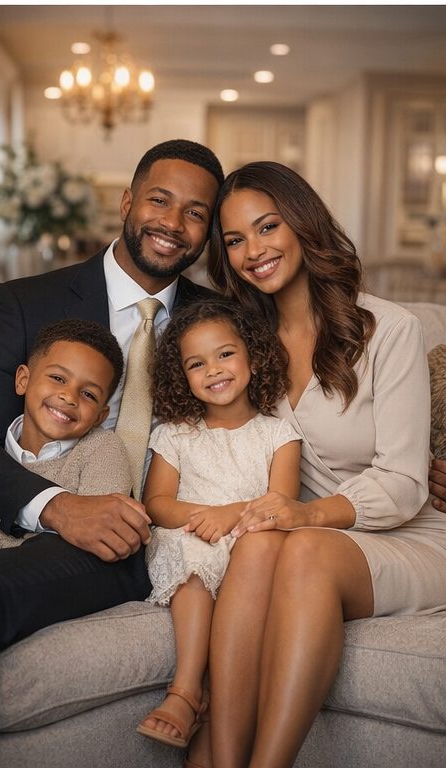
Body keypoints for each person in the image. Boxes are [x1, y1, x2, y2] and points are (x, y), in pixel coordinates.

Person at [0, 139, 224, 768]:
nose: (173, 224)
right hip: (32, 515)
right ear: (126, 201)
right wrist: (60, 507)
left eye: (196, 213)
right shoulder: (24, 302)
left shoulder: (226, 325)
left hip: (137, 543)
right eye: (159, 200)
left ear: (208, 231)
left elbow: (293, 421)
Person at [183, 160, 446, 768]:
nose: (254, 250)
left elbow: (407, 483)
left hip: (413, 537)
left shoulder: (390, 330)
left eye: (268, 226)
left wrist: (303, 515)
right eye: (235, 240)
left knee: (299, 545)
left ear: (303, 224)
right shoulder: (242, 347)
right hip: (306, 533)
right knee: (258, 546)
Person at [136, 298, 301, 750]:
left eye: (225, 353)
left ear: (252, 354)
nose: (213, 370)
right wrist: (201, 518)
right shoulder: (175, 433)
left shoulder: (278, 434)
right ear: (181, 377)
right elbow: (157, 504)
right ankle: (186, 690)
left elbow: (280, 503)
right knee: (195, 555)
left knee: (251, 554)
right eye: (196, 363)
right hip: (193, 540)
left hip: (251, 545)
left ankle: (208, 717)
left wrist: (228, 516)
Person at [0, 318, 130, 553]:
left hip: (40, 578)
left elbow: (99, 535)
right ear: (23, 380)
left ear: (100, 417)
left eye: (88, 394)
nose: (69, 397)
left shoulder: (102, 450)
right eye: (58, 378)